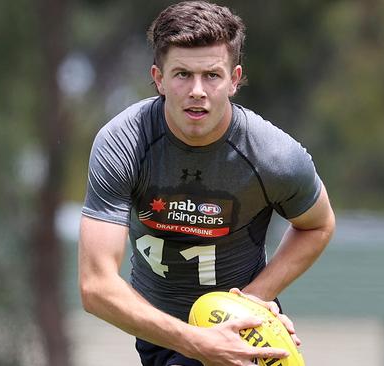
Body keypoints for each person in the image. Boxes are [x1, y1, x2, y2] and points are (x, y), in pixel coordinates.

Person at [78, 1, 335, 365]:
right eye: (182, 74)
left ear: (234, 79)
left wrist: (251, 301)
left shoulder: (273, 154)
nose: (197, 90)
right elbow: (95, 286)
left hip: (241, 330)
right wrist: (197, 341)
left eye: (212, 75)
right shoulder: (123, 144)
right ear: (158, 78)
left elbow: (319, 224)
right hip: (159, 332)